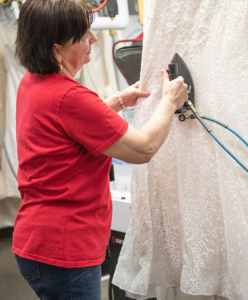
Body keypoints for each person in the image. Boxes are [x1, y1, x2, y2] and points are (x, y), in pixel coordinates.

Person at [11, 0, 188, 299]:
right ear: (57, 49)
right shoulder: (70, 97)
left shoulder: (33, 82)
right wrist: (170, 102)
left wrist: (118, 101)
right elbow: (143, 149)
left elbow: (66, 127)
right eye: (84, 36)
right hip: (64, 249)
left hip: (36, 240)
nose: (94, 39)